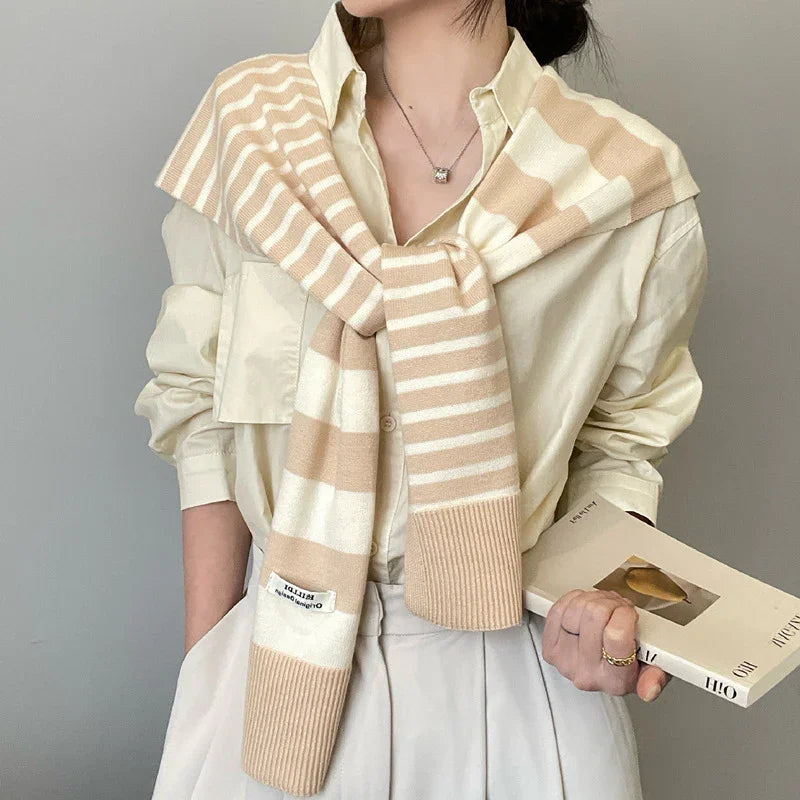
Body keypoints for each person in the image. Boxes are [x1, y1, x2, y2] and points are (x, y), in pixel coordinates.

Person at [133, 1, 708, 797]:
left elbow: (620, 447)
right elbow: (199, 415)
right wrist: (206, 677)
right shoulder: (254, 127)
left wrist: (604, 620)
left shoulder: (623, 180)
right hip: (272, 668)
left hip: (514, 683)